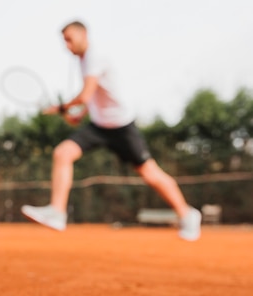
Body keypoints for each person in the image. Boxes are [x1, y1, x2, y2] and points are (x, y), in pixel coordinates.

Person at [21, 21, 202, 241]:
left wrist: (61, 108)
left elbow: (86, 94)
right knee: (63, 153)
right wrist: (80, 114)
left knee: (149, 173)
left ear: (83, 34)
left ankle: (188, 214)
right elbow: (94, 95)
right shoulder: (83, 61)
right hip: (99, 126)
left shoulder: (95, 57)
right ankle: (57, 213)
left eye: (69, 39)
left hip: (121, 126)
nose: (67, 45)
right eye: (64, 41)